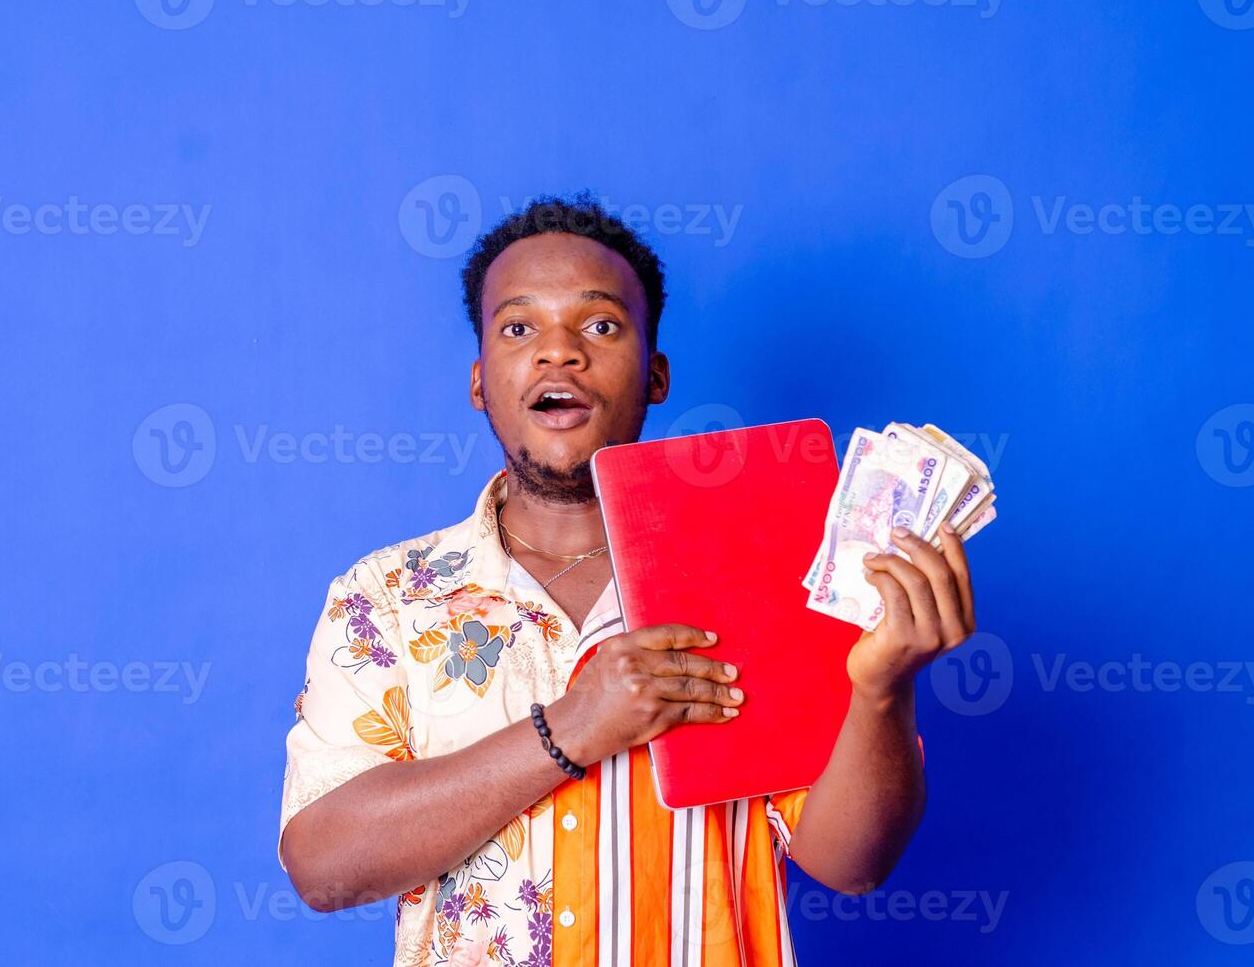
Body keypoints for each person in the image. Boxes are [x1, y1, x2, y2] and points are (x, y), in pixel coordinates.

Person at [277, 195, 978, 966]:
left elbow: (852, 864)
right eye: (519, 327)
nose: (559, 353)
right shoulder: (385, 597)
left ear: (655, 375)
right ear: (480, 380)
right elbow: (323, 865)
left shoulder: (766, 575)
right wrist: (574, 728)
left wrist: (883, 689)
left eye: (600, 325)